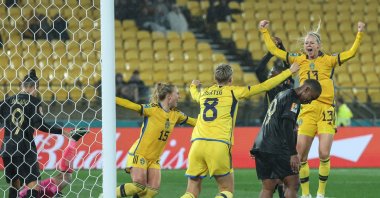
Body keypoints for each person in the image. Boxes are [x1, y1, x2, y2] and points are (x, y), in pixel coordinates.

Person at [258, 19, 365, 198]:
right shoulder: (298, 59)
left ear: (318, 45)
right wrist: (264, 32)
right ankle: (306, 194)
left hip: (326, 109)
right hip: (306, 109)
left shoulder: (329, 60)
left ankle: (321, 193)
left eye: (311, 43)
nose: (308, 45)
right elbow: (274, 51)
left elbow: (351, 53)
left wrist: (359, 33)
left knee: (324, 153)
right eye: (306, 43)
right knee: (300, 156)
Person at [181, 63, 299, 198]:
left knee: (191, 191)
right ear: (230, 79)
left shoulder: (204, 93)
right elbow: (265, 86)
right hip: (219, 144)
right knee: (226, 190)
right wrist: (289, 71)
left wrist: (192, 85)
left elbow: (194, 94)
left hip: (196, 144)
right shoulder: (234, 92)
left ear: (215, 78)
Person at [0, 69, 88, 198]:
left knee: (15, 185)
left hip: (7, 148)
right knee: (34, 186)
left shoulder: (6, 102)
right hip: (24, 147)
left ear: (21, 85)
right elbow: (40, 124)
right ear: (33, 87)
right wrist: (63, 132)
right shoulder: (34, 102)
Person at [114, 83, 197, 198]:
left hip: (154, 158)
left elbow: (194, 122)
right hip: (140, 153)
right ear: (169, 96)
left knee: (152, 190)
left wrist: (212, 123)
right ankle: (107, 195)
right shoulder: (152, 109)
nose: (179, 96)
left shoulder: (176, 115)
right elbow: (132, 106)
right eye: (177, 93)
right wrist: (112, 99)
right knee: (139, 186)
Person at [250, 79, 322, 198]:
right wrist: (293, 153)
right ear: (306, 89)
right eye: (311, 97)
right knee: (293, 184)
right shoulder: (293, 100)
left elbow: (269, 121)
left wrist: (257, 145)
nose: (310, 102)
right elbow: (287, 127)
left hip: (262, 146)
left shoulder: (281, 94)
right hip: (277, 147)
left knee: (268, 187)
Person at [255, 37, 294, 198]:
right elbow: (259, 70)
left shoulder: (287, 87)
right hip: (276, 133)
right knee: (280, 176)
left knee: (280, 177)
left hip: (277, 133)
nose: (270, 74)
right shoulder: (277, 88)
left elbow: (289, 66)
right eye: (270, 73)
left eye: (273, 73)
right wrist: (270, 53)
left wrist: (281, 47)